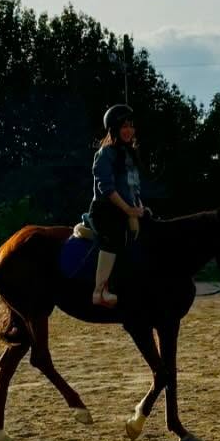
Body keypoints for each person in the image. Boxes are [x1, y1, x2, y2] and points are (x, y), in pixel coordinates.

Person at [85, 104, 146, 308]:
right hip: (106, 210)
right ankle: (100, 290)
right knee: (114, 237)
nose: (128, 130)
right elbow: (107, 188)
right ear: (114, 129)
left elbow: (134, 187)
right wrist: (128, 210)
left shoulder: (131, 154)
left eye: (131, 126)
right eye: (123, 126)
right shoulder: (105, 154)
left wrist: (139, 207)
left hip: (128, 209)